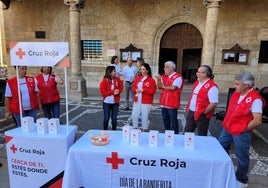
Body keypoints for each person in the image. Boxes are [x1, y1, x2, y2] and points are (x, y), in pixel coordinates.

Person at [218, 73, 263, 188]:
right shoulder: (237, 93)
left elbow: (257, 120)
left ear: (246, 85)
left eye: (237, 84)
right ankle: (229, 167)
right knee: (220, 147)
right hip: (228, 127)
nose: (235, 86)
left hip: (241, 132)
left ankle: (242, 179)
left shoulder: (256, 99)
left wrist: (243, 129)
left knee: (242, 156)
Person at [184, 65, 219, 136]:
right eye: (197, 72)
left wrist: (204, 113)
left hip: (202, 114)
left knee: (201, 134)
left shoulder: (212, 86)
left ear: (205, 74)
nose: (197, 73)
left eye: (199, 72)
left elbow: (213, 103)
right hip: (192, 111)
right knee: (187, 133)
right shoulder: (197, 83)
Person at [156, 61, 183, 134]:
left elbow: (173, 88)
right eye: (164, 67)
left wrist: (163, 86)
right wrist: (158, 79)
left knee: (173, 121)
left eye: (166, 67)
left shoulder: (178, 77)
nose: (164, 69)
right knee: (165, 120)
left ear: (172, 68)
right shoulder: (164, 77)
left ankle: (175, 135)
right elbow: (159, 87)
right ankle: (167, 134)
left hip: (172, 103)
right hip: (163, 102)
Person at [131, 63, 156, 130]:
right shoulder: (138, 78)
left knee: (144, 117)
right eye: (141, 69)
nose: (141, 71)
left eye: (143, 69)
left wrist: (144, 90)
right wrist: (135, 90)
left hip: (146, 101)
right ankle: (135, 128)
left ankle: (144, 130)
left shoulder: (151, 80)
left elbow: (153, 91)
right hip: (137, 100)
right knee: (134, 115)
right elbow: (133, 87)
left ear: (147, 70)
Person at [99, 66, 123, 130]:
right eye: (114, 71)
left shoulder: (117, 79)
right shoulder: (104, 81)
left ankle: (114, 131)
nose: (116, 72)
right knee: (106, 118)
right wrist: (112, 92)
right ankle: (105, 131)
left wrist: (118, 91)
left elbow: (121, 88)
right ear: (110, 73)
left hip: (115, 102)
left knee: (114, 119)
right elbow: (103, 92)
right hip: (107, 102)